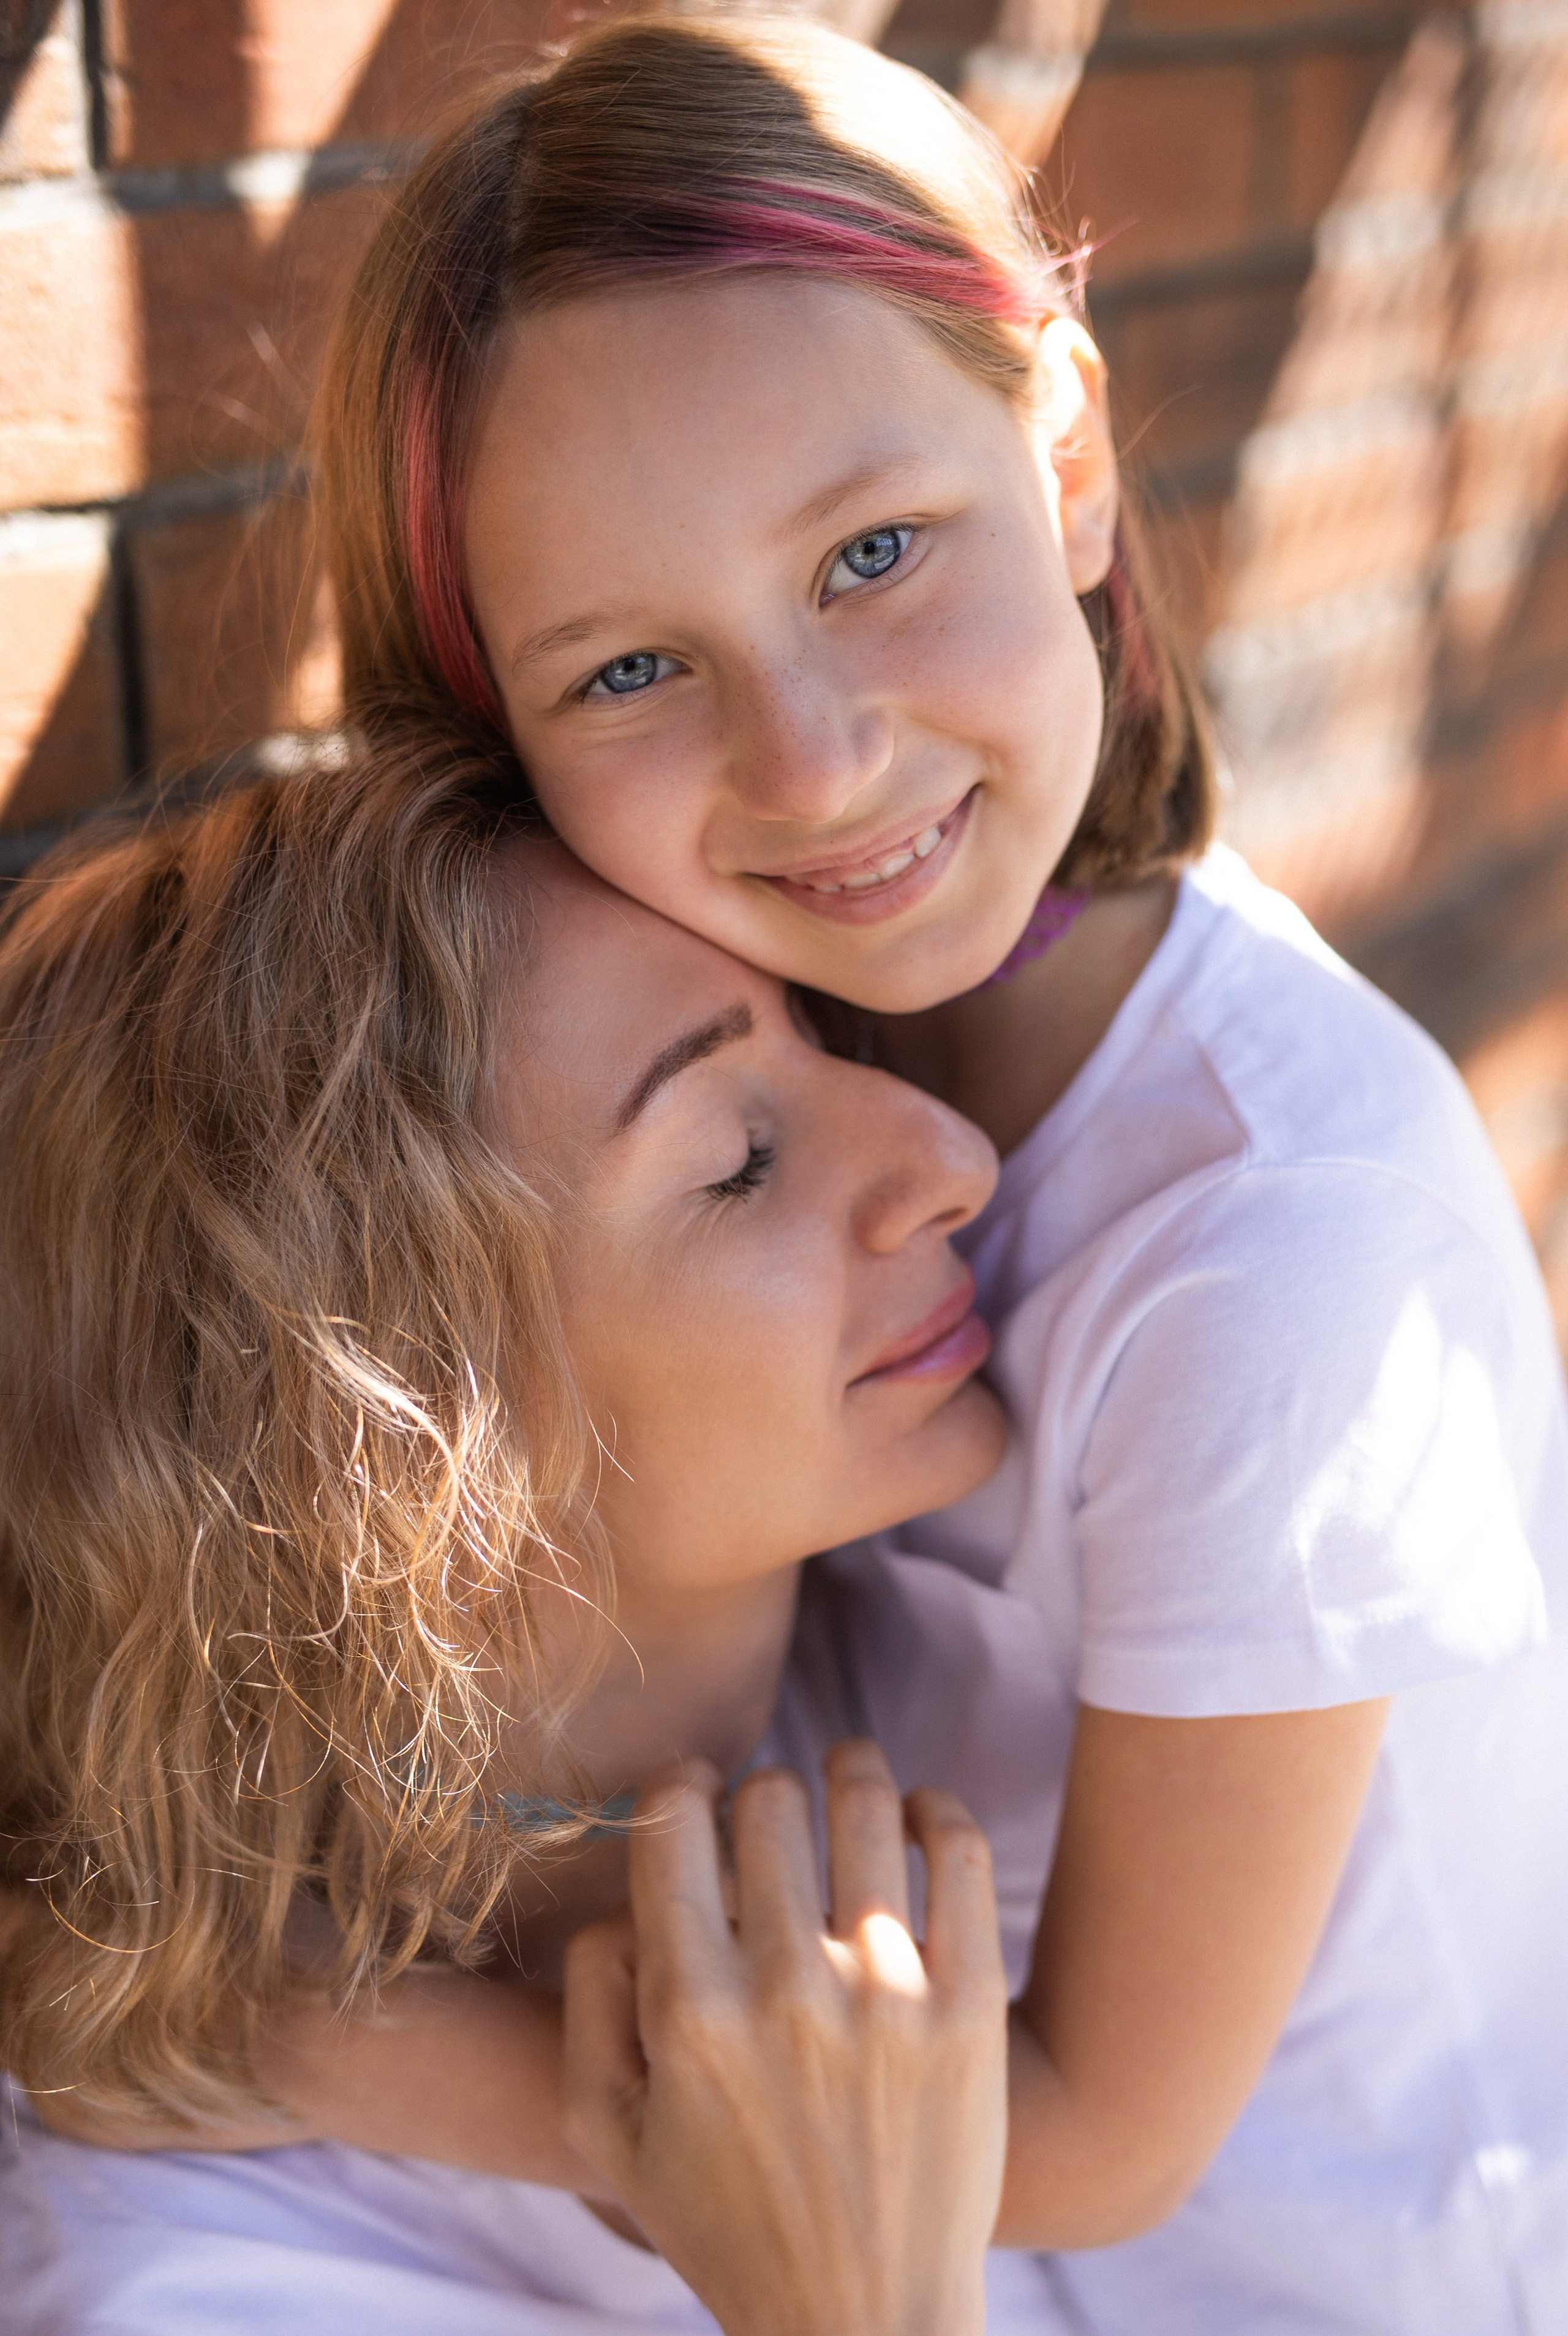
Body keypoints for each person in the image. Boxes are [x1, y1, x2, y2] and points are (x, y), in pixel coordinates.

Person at [288, 10, 1568, 2327]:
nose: (817, 755)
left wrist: (281, 2043)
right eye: (626, 672)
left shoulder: (1277, 1260)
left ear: (1065, 457)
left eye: (875, 549)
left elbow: (1085, 2127)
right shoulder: (723, 1060)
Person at [0, 740, 1069, 2335]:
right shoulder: (203, 2287)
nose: (953, 1156)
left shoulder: (1014, 1645)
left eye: (823, 1034)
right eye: (737, 1161)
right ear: (389, 1449)